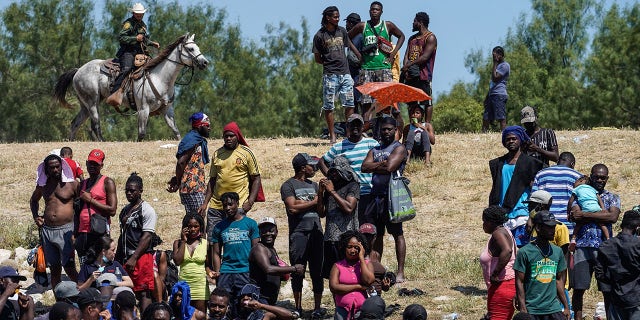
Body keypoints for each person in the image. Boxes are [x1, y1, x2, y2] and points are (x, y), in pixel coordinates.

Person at [570, 163, 620, 320]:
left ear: (607, 179)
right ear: (590, 176)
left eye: (603, 177)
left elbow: (612, 217)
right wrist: (599, 214)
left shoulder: (612, 197)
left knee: (607, 288)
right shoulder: (581, 193)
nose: (599, 179)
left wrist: (585, 215)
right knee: (579, 288)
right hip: (582, 247)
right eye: (596, 176)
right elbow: (574, 215)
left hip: (604, 248)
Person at [361, 117, 408, 282]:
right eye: (383, 129)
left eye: (389, 129)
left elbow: (390, 167)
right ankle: (376, 268)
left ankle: (400, 272)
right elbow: (364, 167)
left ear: (395, 130)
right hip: (376, 197)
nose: (386, 132)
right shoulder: (375, 149)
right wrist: (381, 164)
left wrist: (378, 164)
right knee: (377, 235)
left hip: (392, 197)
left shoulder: (399, 148)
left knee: (397, 234)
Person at [348, 1, 405, 131]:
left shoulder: (388, 25)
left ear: (381, 12)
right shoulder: (363, 26)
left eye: (377, 9)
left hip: (384, 68)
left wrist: (393, 54)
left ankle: (384, 130)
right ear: (369, 11)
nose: (374, 11)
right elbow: (347, 37)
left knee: (385, 102)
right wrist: (358, 54)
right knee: (366, 103)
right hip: (367, 68)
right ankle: (365, 132)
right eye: (372, 9)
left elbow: (401, 36)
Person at [279, 153, 324, 316]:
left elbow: (322, 211)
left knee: (317, 270)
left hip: (317, 232)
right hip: (298, 233)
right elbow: (292, 207)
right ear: (303, 168)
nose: (315, 168)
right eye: (312, 165)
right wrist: (314, 201)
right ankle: (298, 307)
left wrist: (306, 203)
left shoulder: (315, 185)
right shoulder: (288, 185)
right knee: (298, 269)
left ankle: (317, 308)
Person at [200, 122, 263, 236]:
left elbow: (256, 178)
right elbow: (212, 180)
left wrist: (250, 202)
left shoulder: (246, 153)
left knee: (235, 240)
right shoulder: (217, 154)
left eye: (231, 135)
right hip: (216, 206)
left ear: (237, 136)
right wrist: (205, 204)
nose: (228, 138)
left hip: (237, 206)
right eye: (226, 136)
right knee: (212, 241)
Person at [319, 113, 378, 229]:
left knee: (367, 228)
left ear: (363, 127)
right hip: (348, 194)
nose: (355, 127)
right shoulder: (339, 146)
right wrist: (330, 177)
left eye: (358, 125)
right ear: (347, 126)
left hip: (368, 192)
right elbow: (321, 161)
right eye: (352, 125)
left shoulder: (372, 143)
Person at [30, 154, 79, 289]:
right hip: (48, 231)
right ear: (46, 170)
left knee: (69, 267)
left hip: (66, 231)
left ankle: (85, 295)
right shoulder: (43, 185)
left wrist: (77, 230)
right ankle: (58, 302)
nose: (55, 170)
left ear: (62, 167)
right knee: (54, 269)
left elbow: (81, 207)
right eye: (52, 168)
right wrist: (36, 217)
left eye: (57, 166)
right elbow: (34, 200)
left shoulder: (72, 184)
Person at [313, 6, 361, 144]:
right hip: (330, 75)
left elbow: (349, 44)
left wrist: (358, 54)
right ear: (328, 18)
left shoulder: (342, 31)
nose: (338, 19)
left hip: (345, 73)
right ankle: (332, 135)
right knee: (329, 106)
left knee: (349, 104)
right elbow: (317, 58)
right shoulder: (319, 35)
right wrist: (329, 63)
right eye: (335, 16)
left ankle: (348, 133)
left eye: (338, 16)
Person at [488, 126, 543, 247]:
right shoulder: (498, 163)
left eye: (514, 138)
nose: (511, 141)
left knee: (522, 249)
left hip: (521, 212)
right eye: (508, 139)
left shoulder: (530, 163)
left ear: (520, 140)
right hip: (503, 213)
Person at [208, 192, 260, 314]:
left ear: (237, 203)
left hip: (245, 271)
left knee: (245, 305)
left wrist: (253, 271)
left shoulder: (250, 224)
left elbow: (256, 249)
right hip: (226, 272)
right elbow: (215, 253)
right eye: (225, 205)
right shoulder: (219, 227)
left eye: (230, 204)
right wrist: (218, 272)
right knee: (224, 306)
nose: (227, 208)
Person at [514, 211, 570, 319]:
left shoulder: (557, 252)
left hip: (553, 309)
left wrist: (566, 306)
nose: (553, 231)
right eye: (549, 227)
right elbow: (519, 281)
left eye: (553, 227)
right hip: (532, 309)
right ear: (538, 228)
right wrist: (522, 307)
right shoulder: (525, 252)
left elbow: (559, 281)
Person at [116, 172, 158, 314]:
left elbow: (146, 236)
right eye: (127, 190)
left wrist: (134, 257)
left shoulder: (147, 210)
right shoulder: (125, 210)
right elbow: (123, 235)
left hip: (141, 257)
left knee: (144, 292)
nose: (129, 193)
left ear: (140, 191)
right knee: (126, 291)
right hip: (126, 257)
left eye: (132, 190)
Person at [317, 155, 360, 279]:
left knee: (348, 274)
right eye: (331, 172)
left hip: (347, 240)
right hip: (330, 239)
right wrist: (320, 193)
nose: (333, 175)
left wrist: (332, 192)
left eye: (336, 172)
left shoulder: (353, 186)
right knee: (333, 276)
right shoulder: (331, 188)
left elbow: (349, 208)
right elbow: (321, 213)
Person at [595, 208, 640, 320]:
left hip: (615, 298)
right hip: (636, 299)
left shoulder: (605, 246)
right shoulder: (637, 245)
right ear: (637, 228)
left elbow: (599, 274)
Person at [75, 149, 118, 265]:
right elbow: (77, 210)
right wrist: (75, 234)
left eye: (96, 164)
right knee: (85, 266)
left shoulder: (107, 182)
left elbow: (112, 210)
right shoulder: (82, 184)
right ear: (86, 163)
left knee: (100, 264)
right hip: (83, 232)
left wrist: (90, 200)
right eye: (90, 163)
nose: (92, 166)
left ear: (102, 165)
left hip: (99, 231)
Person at [248, 217, 304, 305]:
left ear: (277, 232)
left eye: (271, 230)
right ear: (259, 233)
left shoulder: (271, 249)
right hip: (260, 299)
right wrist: (294, 269)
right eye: (264, 231)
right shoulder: (259, 248)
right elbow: (268, 269)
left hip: (269, 298)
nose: (267, 233)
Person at [168, 112, 211, 215]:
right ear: (200, 126)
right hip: (192, 187)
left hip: (194, 187)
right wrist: (178, 182)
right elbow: (181, 162)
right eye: (207, 126)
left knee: (193, 219)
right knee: (198, 218)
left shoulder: (196, 140)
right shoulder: (192, 140)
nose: (209, 128)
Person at [111, 2, 160, 94]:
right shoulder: (128, 24)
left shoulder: (143, 25)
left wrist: (152, 43)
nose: (139, 15)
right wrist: (135, 38)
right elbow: (121, 37)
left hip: (140, 52)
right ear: (133, 13)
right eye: (137, 13)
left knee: (151, 67)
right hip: (128, 51)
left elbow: (143, 40)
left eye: (141, 14)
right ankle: (114, 91)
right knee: (127, 68)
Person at [531, 151, 582, 235]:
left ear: (558, 161)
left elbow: (534, 200)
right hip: (568, 226)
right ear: (572, 164)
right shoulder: (578, 177)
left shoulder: (541, 174)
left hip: (545, 224)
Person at [479, 206, 516, 320]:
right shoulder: (505, 231)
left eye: (484, 221)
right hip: (507, 285)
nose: (483, 224)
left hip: (502, 286)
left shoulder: (498, 233)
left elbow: (507, 251)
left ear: (491, 222)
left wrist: (495, 273)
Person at [329, 230, 375, 320]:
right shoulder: (337, 266)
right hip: (342, 310)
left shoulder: (367, 264)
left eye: (356, 247)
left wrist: (361, 258)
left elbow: (369, 281)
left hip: (362, 310)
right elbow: (334, 287)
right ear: (344, 247)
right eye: (349, 247)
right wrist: (358, 287)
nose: (353, 250)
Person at [401, 12, 437, 124]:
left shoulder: (430, 37)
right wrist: (406, 69)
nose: (413, 23)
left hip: (424, 75)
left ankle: (427, 125)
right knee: (411, 101)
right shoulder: (412, 38)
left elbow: (425, 57)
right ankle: (413, 124)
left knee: (426, 101)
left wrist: (409, 65)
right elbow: (406, 56)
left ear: (420, 23)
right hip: (411, 75)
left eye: (414, 21)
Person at [173, 213, 209, 313]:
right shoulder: (178, 243)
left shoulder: (205, 243)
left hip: (200, 286)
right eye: (190, 226)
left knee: (200, 316)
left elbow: (208, 265)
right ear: (185, 227)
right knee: (183, 315)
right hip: (183, 286)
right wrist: (184, 241)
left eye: (196, 226)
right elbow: (177, 261)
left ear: (200, 227)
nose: (193, 229)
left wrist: (211, 273)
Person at [568, 175, 608, 251]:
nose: (574, 184)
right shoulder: (592, 189)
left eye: (575, 182)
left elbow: (570, 202)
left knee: (578, 224)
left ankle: (573, 239)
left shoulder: (577, 189)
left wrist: (568, 212)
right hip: (597, 208)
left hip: (586, 209)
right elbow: (599, 200)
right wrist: (603, 210)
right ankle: (608, 238)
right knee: (602, 224)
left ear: (581, 181)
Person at [482, 46, 510, 132]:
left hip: (499, 94)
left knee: (501, 117)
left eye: (495, 55)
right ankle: (483, 134)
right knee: (486, 117)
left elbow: (495, 78)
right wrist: (487, 96)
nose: (493, 57)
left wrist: (494, 63)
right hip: (492, 94)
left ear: (500, 55)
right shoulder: (497, 66)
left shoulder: (505, 66)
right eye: (493, 56)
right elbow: (492, 84)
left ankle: (504, 134)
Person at [344, 13, 363, 114]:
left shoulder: (360, 37)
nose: (346, 25)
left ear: (351, 24)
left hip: (359, 74)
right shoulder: (351, 37)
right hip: (351, 74)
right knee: (353, 102)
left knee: (361, 102)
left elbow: (364, 58)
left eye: (347, 23)